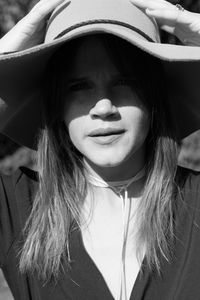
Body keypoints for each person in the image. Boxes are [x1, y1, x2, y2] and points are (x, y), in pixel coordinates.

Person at [0, 0, 200, 299]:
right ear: (57, 105)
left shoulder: (194, 202)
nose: (104, 107)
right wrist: (9, 47)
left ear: (154, 96)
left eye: (125, 81)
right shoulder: (18, 207)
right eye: (78, 86)